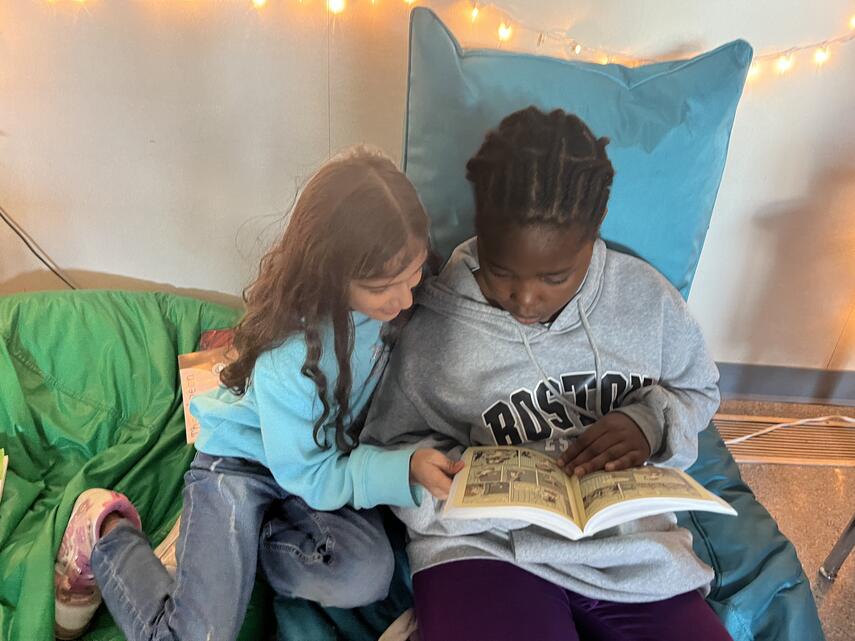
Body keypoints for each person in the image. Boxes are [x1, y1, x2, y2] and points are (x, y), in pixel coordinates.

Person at [53, 146, 462, 641]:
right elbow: (311, 474)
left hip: (319, 465)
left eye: (414, 272)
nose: (405, 298)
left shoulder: (402, 302)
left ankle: (237, 552)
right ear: (331, 275)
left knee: (368, 575)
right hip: (245, 466)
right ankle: (106, 532)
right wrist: (402, 469)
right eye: (384, 287)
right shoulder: (289, 358)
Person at [361, 107, 732, 640]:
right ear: (480, 232)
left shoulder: (646, 302)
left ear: (594, 234)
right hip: (481, 549)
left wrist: (651, 423)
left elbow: (698, 388)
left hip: (626, 550)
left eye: (556, 276)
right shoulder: (434, 322)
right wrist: (432, 473)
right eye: (502, 273)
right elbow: (389, 445)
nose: (525, 300)